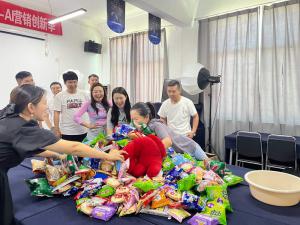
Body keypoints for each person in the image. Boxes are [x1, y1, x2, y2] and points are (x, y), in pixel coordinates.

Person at [0, 84, 125, 225]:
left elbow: (31, 147)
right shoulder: (23, 128)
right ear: (30, 107)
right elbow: (74, 147)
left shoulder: (10, 114)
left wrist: (58, 156)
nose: (47, 107)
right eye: (44, 103)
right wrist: (108, 156)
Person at [130, 102, 207, 160]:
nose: (134, 122)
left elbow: (168, 142)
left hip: (190, 147)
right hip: (180, 155)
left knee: (211, 169)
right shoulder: (142, 129)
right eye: (132, 119)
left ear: (146, 117)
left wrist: (151, 152)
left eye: (136, 119)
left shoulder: (156, 125)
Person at [53, 71, 89, 142]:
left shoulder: (84, 94)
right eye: (70, 82)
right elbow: (56, 114)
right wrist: (57, 130)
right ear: (65, 83)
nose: (73, 84)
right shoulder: (59, 96)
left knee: (83, 152)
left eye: (75, 82)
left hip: (83, 130)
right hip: (67, 131)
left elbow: (90, 110)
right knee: (68, 153)